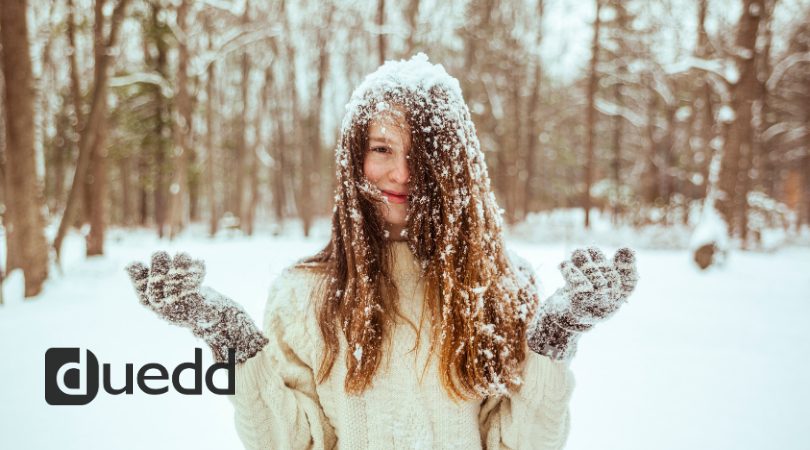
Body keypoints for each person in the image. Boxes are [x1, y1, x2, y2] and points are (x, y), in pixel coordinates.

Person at [125, 54, 639, 450]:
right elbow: (292, 440)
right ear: (355, 159)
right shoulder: (304, 292)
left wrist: (554, 336)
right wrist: (228, 337)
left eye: (422, 154)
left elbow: (520, 440)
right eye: (382, 149)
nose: (401, 175)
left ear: (453, 164)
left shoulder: (500, 284)